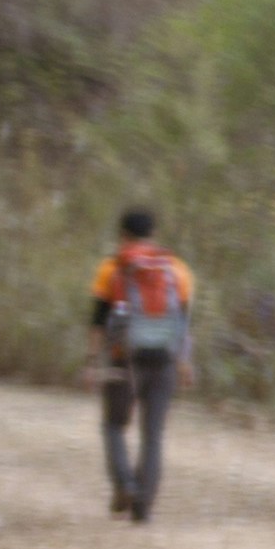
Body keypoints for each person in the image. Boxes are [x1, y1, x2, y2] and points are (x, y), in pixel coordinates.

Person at [86, 204, 195, 523]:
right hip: (163, 359)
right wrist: (185, 363)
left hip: (124, 359)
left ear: (123, 235)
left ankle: (125, 485)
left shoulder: (112, 268)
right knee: (153, 434)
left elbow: (97, 321)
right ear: (154, 235)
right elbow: (185, 323)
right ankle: (143, 504)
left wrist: (92, 362)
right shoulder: (177, 270)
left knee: (113, 425)